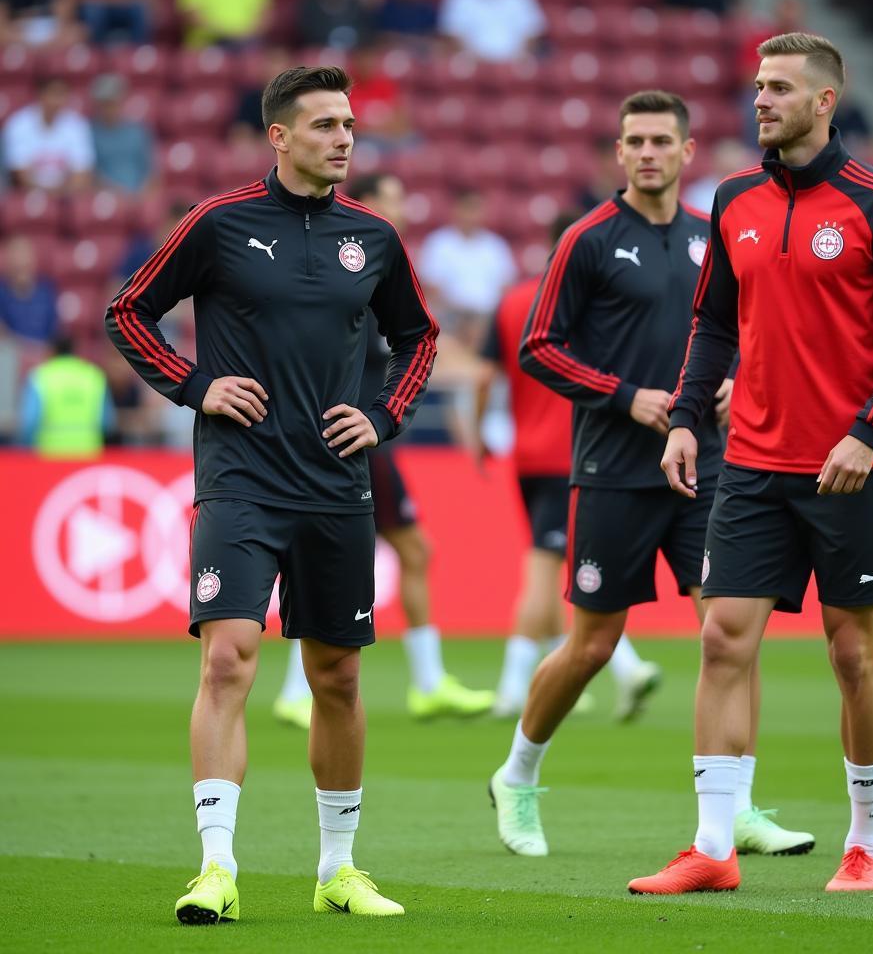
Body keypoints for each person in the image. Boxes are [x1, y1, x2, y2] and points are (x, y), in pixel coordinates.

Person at [105, 65, 438, 923]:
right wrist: (192, 384)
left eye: (351, 126)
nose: (345, 139)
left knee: (336, 678)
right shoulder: (219, 224)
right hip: (241, 480)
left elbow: (420, 337)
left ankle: (338, 870)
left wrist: (385, 414)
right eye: (326, 124)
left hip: (336, 484)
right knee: (227, 660)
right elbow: (130, 311)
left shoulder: (374, 236)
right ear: (280, 137)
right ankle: (216, 868)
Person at [641, 33, 873, 897]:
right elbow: (714, 326)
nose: (760, 99)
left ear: (824, 101)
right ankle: (711, 847)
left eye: (778, 88)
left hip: (851, 467)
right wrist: (688, 419)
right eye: (758, 86)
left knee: (852, 655)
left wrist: (866, 431)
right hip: (754, 465)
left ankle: (866, 845)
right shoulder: (732, 198)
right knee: (721, 636)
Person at [488, 90, 812, 860]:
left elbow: (747, 331)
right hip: (613, 470)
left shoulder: (718, 235)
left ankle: (735, 808)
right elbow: (539, 347)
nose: (646, 152)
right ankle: (518, 776)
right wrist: (625, 397)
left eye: (661, 140)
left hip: (710, 468)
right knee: (594, 645)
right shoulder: (589, 239)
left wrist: (738, 379)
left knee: (728, 636)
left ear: (687, 151)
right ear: (620, 152)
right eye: (633, 140)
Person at [274, 170, 493, 728]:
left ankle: (420, 682)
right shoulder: (351, 266)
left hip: (369, 428)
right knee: (362, 556)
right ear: (365, 203)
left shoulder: (373, 264)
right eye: (391, 200)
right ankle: (319, 689)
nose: (400, 211)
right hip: (353, 429)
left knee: (400, 552)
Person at [475, 211, 662, 722]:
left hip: (528, 456)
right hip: (578, 453)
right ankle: (519, 689)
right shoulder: (594, 303)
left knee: (554, 563)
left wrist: (475, 436)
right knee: (547, 569)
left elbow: (485, 377)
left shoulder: (514, 300)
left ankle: (620, 669)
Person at [417, 188, 517, 349]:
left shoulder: (496, 246)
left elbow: (506, 289)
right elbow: (431, 289)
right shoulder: (438, 243)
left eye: (476, 209)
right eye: (467, 209)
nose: (472, 215)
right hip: (451, 315)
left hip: (487, 316)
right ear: (456, 210)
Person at [18, 335, 112, 458]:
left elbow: (30, 422)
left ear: (52, 351)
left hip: (49, 454)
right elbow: (106, 422)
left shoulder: (40, 377)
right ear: (75, 351)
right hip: (88, 453)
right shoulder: (94, 376)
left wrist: (26, 449)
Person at [2, 75, 94, 193]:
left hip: (67, 195)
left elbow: (82, 173)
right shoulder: (18, 124)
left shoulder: (77, 124)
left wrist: (60, 193)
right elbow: (20, 175)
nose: (58, 101)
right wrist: (49, 195)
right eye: (54, 94)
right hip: (29, 194)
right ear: (40, 95)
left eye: (62, 95)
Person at [89, 73, 154, 194]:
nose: (109, 108)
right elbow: (91, 174)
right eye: (104, 103)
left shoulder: (138, 131)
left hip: (139, 197)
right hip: (106, 199)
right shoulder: (90, 134)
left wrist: (142, 195)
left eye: (112, 102)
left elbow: (151, 171)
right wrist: (116, 192)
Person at [0, 235, 59, 345]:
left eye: (24, 255)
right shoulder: (2, 294)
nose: (20, 261)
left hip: (45, 357)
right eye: (16, 256)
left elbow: (55, 333)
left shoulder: (46, 293)